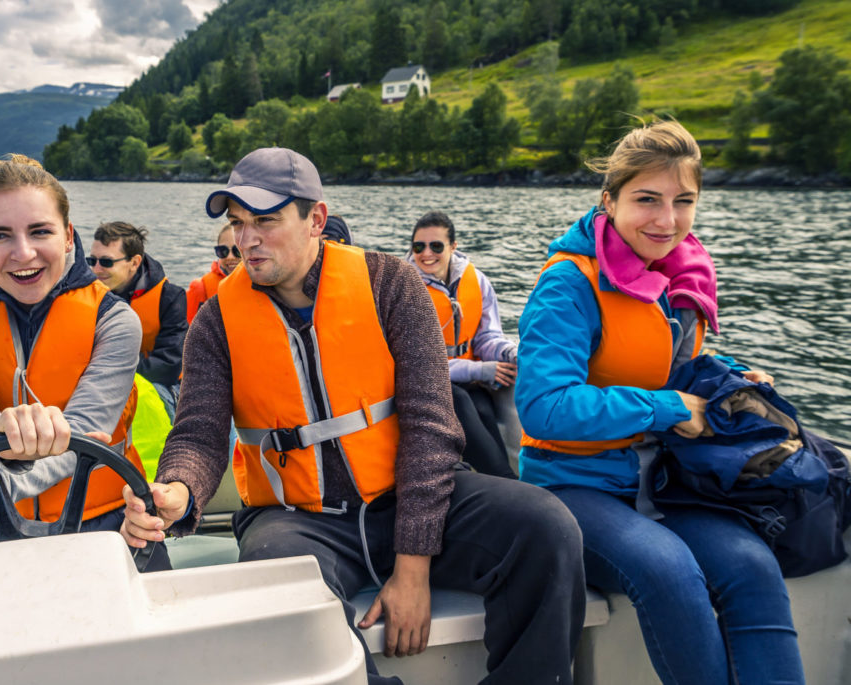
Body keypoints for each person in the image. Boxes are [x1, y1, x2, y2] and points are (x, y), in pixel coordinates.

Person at [120, 147, 586, 684]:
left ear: (316, 219)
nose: (247, 240)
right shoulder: (215, 322)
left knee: (545, 527)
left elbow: (431, 427)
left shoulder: (391, 283)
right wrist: (176, 491)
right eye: (238, 223)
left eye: (266, 221)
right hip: (298, 518)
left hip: (413, 497)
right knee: (275, 582)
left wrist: (414, 566)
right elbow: (199, 434)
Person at [516, 121, 801, 684]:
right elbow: (543, 406)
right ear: (609, 201)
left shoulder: (675, 278)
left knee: (751, 566)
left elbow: (667, 366)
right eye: (647, 200)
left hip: (666, 481)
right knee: (668, 571)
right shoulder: (568, 286)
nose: (666, 221)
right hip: (575, 486)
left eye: (683, 201)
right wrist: (667, 408)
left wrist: (735, 379)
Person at [0, 154, 169, 571]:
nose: (24, 253)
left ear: (68, 236)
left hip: (113, 523)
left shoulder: (114, 321)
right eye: (0, 236)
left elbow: (84, 439)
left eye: (40, 232)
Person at [408, 211, 518, 479]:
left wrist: (510, 354)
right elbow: (417, 364)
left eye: (436, 246)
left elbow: (486, 338)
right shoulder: (405, 289)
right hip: (423, 382)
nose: (426, 253)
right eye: (418, 246)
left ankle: (498, 482)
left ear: (453, 247)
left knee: (483, 408)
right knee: (461, 403)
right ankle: (508, 483)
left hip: (465, 375)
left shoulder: (477, 281)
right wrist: (478, 371)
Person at [89, 221, 187, 418]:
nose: (96, 269)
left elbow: (169, 365)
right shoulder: (82, 295)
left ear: (134, 262)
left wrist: (113, 371)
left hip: (157, 386)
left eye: (106, 262)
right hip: (97, 384)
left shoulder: (170, 297)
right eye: (92, 261)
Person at [185, 222, 239, 324]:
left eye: (237, 251)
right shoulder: (200, 288)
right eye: (223, 251)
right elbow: (187, 334)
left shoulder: (265, 284)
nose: (230, 257)